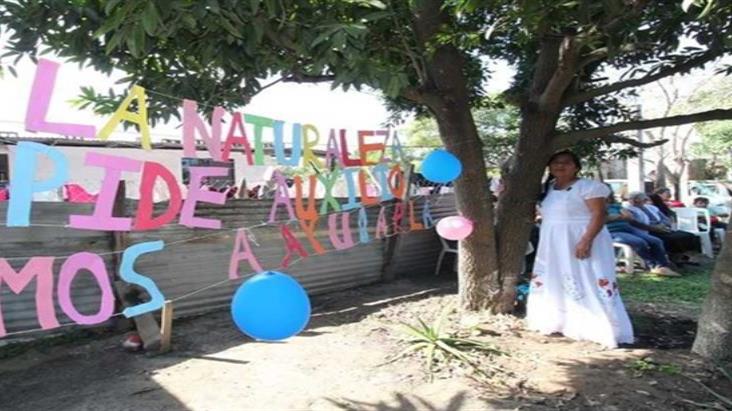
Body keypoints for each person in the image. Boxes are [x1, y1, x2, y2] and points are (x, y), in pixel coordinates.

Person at [527, 150, 634, 348]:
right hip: (553, 241)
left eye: (566, 162)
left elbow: (599, 214)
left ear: (576, 166)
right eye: (556, 162)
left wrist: (586, 240)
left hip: (582, 237)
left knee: (590, 275)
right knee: (556, 276)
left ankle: (599, 325)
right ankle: (561, 319)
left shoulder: (589, 187)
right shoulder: (547, 188)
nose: (561, 166)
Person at [605, 189, 680, 277]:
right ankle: (652, 265)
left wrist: (617, 217)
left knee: (656, 241)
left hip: (628, 229)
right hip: (612, 231)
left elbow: (629, 217)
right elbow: (604, 219)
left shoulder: (615, 206)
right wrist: (619, 217)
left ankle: (663, 265)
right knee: (639, 242)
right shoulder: (597, 207)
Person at [625, 192, 701, 264]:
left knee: (687, 235)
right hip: (647, 230)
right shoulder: (629, 210)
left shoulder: (651, 207)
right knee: (670, 239)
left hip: (662, 227)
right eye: (643, 199)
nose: (646, 200)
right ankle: (673, 257)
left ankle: (684, 256)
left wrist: (663, 225)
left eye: (645, 199)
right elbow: (637, 224)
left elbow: (665, 218)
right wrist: (655, 228)